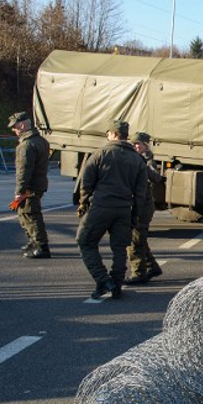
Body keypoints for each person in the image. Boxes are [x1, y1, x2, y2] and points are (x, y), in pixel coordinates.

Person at [76, 121, 147, 299]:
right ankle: (116, 285)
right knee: (119, 248)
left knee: (85, 241)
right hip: (124, 208)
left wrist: (83, 203)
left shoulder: (100, 154)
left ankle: (103, 280)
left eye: (108, 133)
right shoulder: (137, 160)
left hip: (101, 207)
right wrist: (134, 215)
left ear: (114, 134)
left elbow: (87, 183)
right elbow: (141, 194)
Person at [9, 111, 51, 259]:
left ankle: (41, 246)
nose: (14, 130)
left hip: (30, 187)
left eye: (15, 127)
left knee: (31, 215)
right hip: (38, 184)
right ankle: (33, 241)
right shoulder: (41, 141)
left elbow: (24, 170)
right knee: (25, 213)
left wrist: (19, 191)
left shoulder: (26, 145)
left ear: (22, 125)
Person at [124, 131, 164, 284]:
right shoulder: (136, 159)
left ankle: (138, 273)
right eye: (133, 144)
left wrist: (144, 167)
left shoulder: (148, 162)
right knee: (139, 238)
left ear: (146, 146)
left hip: (143, 206)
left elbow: (156, 177)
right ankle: (151, 266)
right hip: (138, 204)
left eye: (138, 144)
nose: (135, 146)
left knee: (136, 240)